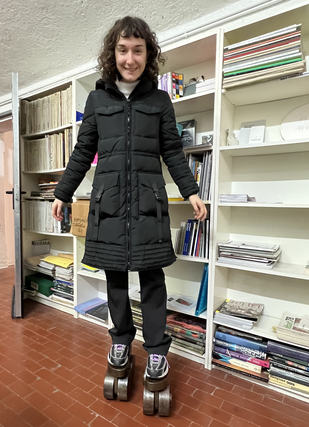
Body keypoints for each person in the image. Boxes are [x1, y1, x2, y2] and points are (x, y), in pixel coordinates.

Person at [52, 16, 207, 380]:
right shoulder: (96, 98)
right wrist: (63, 192)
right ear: (113, 53)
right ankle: (120, 340)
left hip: (148, 205)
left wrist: (192, 189)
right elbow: (82, 151)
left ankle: (156, 351)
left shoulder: (159, 100)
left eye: (138, 50)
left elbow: (172, 151)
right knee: (115, 277)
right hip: (108, 206)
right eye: (123, 50)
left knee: (153, 278)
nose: (130, 58)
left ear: (147, 53)